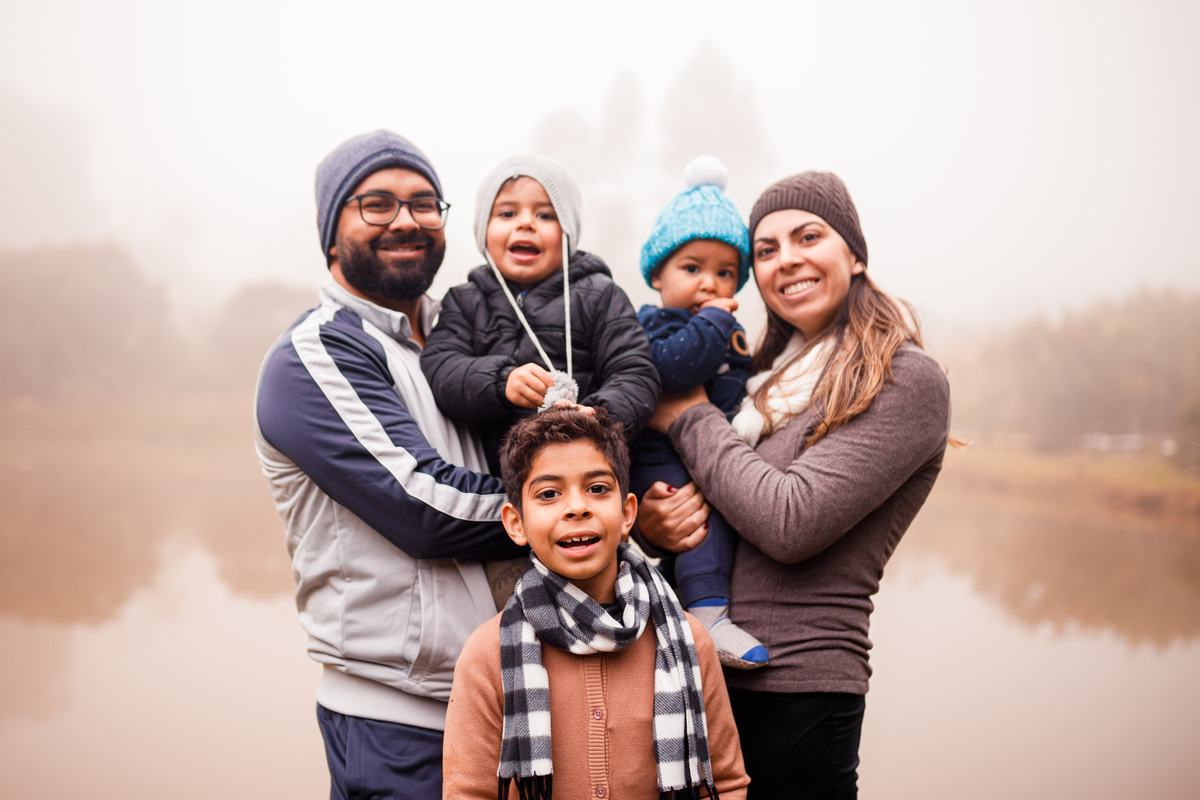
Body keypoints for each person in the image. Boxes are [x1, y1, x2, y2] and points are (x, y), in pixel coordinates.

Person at [639, 171, 951, 798]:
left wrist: (687, 415)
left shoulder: (904, 379)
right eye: (767, 250)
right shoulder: (759, 382)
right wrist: (655, 524)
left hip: (796, 692)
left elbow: (790, 521)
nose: (788, 261)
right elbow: (722, 501)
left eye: (808, 236)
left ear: (854, 253)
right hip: (697, 673)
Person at [254, 130, 528, 800]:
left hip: (516, 718)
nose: (405, 220)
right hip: (400, 725)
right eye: (375, 204)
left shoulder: (461, 342)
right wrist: (597, 515)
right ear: (331, 233)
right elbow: (423, 508)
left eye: (423, 203)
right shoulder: (314, 355)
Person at [442, 407, 750, 800]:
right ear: (516, 523)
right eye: (549, 493)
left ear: (626, 515)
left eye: (598, 488)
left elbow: (723, 784)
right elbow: (469, 793)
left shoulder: (688, 639)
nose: (577, 507)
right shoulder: (487, 654)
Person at [420, 154, 660, 474]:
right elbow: (441, 366)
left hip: (587, 469)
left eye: (545, 215)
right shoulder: (464, 301)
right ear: (484, 231)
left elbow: (636, 372)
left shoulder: (600, 295)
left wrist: (598, 417)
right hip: (498, 482)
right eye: (507, 213)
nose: (525, 223)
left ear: (568, 233)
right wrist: (500, 381)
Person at [628, 155, 767, 669]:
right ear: (658, 275)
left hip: (707, 452)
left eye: (726, 273)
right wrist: (711, 323)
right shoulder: (651, 325)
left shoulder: (732, 332)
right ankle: (706, 615)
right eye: (692, 268)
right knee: (697, 523)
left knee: (722, 512)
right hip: (659, 454)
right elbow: (670, 371)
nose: (710, 283)